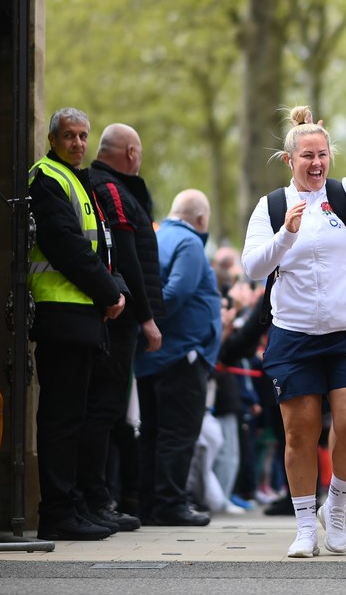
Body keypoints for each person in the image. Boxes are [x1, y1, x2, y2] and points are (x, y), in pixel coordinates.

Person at [241, 107, 346, 557]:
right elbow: (253, 267)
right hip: (293, 335)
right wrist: (285, 235)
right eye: (308, 156)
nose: (317, 163)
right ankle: (304, 525)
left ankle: (337, 505)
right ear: (290, 159)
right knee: (300, 433)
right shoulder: (271, 206)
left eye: (323, 155)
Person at [29, 108, 127, 541]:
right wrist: (110, 292)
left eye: (83, 135)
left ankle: (75, 506)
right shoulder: (46, 178)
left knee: (78, 416)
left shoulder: (76, 179)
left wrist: (113, 288)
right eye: (69, 135)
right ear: (52, 139)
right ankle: (57, 511)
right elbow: (68, 248)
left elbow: (103, 248)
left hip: (83, 316)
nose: (78, 143)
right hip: (61, 314)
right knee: (62, 419)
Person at [83, 123, 164, 532]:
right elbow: (128, 257)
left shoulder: (112, 186)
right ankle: (95, 500)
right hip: (119, 319)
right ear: (132, 152)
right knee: (104, 409)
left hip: (119, 315)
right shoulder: (112, 189)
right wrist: (146, 317)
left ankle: (103, 498)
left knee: (110, 411)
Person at [135, 189, 221, 528]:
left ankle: (149, 504)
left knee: (154, 433)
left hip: (152, 357)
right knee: (178, 434)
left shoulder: (158, 238)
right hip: (180, 356)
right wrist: (150, 319)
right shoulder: (189, 243)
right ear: (201, 220)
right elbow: (175, 293)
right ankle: (170, 503)